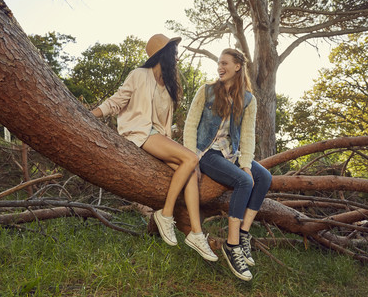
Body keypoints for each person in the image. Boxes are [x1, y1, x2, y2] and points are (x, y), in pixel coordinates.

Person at [91, 34, 218, 262]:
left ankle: (196, 233)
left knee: (190, 170)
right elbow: (116, 101)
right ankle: (166, 214)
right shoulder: (139, 75)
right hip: (139, 134)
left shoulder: (168, 86)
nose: (177, 56)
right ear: (163, 54)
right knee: (191, 160)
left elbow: (163, 127)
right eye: (174, 51)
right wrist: (90, 115)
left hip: (158, 138)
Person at [183, 48, 272, 281]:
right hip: (207, 152)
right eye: (218, 64)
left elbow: (248, 135)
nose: (219, 67)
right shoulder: (207, 91)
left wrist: (245, 163)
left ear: (237, 67)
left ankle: (243, 234)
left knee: (263, 177)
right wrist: (191, 159)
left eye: (224, 63)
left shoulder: (249, 100)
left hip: (230, 153)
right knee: (243, 181)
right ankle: (232, 247)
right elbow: (190, 125)